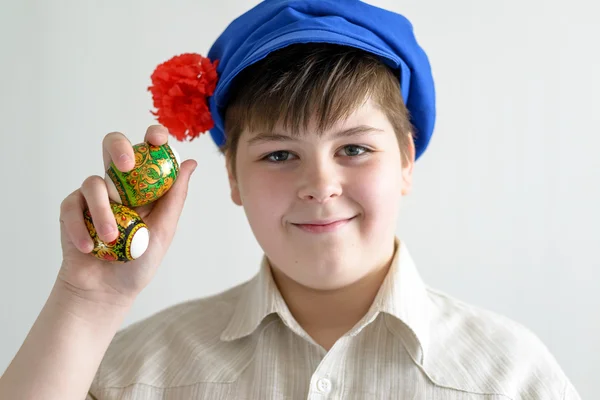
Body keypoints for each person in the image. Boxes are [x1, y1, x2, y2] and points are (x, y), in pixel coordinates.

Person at [0, 1, 581, 399]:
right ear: (232, 176)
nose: (320, 184)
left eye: (353, 148)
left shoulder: (511, 376)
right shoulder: (137, 373)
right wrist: (87, 300)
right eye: (279, 155)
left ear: (405, 160)